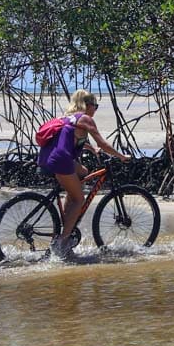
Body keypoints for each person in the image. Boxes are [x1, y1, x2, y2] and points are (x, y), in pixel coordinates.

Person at [37, 89, 129, 258]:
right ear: (88, 105)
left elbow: (71, 139)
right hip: (61, 160)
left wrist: (90, 148)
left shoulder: (68, 118)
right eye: (96, 106)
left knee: (83, 172)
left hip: (47, 157)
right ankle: (62, 242)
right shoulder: (86, 119)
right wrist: (121, 156)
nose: (96, 109)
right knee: (80, 199)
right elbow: (103, 142)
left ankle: (67, 222)